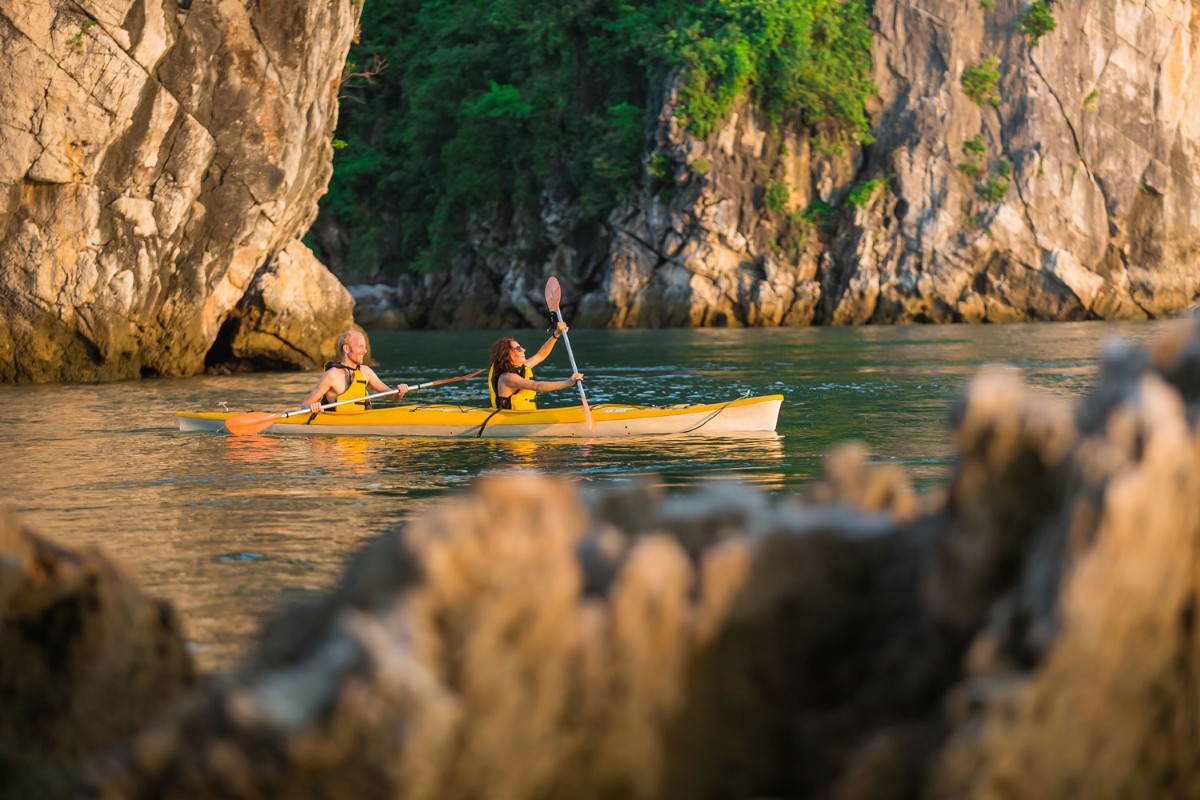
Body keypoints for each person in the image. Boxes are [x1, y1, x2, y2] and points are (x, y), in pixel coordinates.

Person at [304, 330, 408, 414]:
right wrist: (313, 407)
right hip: (338, 433)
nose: (365, 351)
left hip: (364, 426)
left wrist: (400, 393)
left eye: (365, 347)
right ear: (346, 348)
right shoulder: (332, 375)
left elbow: (392, 397)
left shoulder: (366, 372)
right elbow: (306, 404)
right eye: (360, 347)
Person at [488, 320, 583, 410]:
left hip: (523, 418)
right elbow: (536, 386)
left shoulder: (520, 368)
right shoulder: (508, 378)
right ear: (507, 355)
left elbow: (540, 355)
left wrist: (556, 334)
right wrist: (568, 382)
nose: (524, 350)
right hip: (509, 421)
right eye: (518, 348)